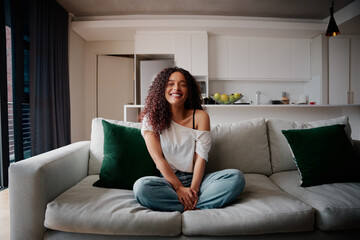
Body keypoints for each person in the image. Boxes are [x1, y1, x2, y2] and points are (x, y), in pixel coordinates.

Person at [133, 67, 245, 212]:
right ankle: (197, 205)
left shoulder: (200, 117)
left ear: (189, 90)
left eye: (183, 84)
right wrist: (179, 188)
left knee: (236, 178)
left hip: (198, 180)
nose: (176, 88)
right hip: (169, 182)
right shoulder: (151, 119)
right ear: (161, 88)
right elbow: (158, 159)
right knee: (141, 187)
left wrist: (193, 190)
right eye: (170, 84)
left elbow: (201, 158)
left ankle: (189, 204)